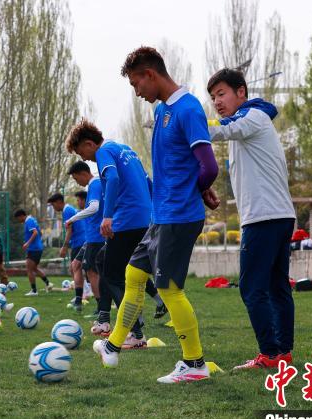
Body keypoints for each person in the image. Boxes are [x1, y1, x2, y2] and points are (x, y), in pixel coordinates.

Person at [93, 46, 220, 383]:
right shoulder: (163, 110)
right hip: (161, 216)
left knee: (170, 289)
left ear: (150, 74)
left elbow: (209, 166)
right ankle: (113, 347)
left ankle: (195, 365)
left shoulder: (188, 109)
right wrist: (198, 188)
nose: (137, 92)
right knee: (134, 274)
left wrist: (198, 189)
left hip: (178, 216)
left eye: (136, 84)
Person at [206, 68, 296, 370]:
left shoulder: (252, 117)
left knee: (251, 288)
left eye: (222, 94)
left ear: (241, 92)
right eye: (213, 97)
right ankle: (283, 353)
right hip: (278, 216)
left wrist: (185, 125)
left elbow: (221, 131)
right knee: (276, 287)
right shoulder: (252, 120)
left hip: (264, 218)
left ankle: (270, 353)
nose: (217, 102)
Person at [65, 119, 155, 349]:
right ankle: (115, 319)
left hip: (127, 220)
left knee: (111, 274)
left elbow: (113, 178)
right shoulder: (126, 150)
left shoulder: (104, 151)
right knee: (115, 266)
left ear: (89, 143)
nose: (85, 159)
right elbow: (148, 182)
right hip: (143, 218)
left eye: (81, 153)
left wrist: (108, 216)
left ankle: (134, 331)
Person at [66, 162, 104, 316]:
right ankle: (84, 302)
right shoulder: (97, 184)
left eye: (76, 179)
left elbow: (94, 208)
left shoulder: (94, 184)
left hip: (95, 237)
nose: (77, 182)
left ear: (83, 173)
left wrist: (73, 219)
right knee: (80, 267)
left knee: (92, 272)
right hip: (93, 237)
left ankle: (101, 308)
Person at [47, 192, 86, 309]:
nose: (53, 208)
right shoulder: (69, 209)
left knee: (76, 269)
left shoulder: (67, 210)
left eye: (53, 205)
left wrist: (64, 246)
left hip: (79, 242)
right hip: (80, 241)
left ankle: (80, 297)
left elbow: (70, 230)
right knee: (75, 269)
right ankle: (81, 295)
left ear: (59, 202)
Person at [14, 209, 52, 296]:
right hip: (37, 248)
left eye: (18, 218)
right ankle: (48, 283)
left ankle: (34, 291)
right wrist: (38, 241)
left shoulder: (29, 221)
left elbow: (35, 233)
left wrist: (28, 243)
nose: (18, 220)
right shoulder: (32, 220)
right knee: (34, 268)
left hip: (34, 249)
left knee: (29, 269)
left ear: (21, 216)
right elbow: (39, 233)